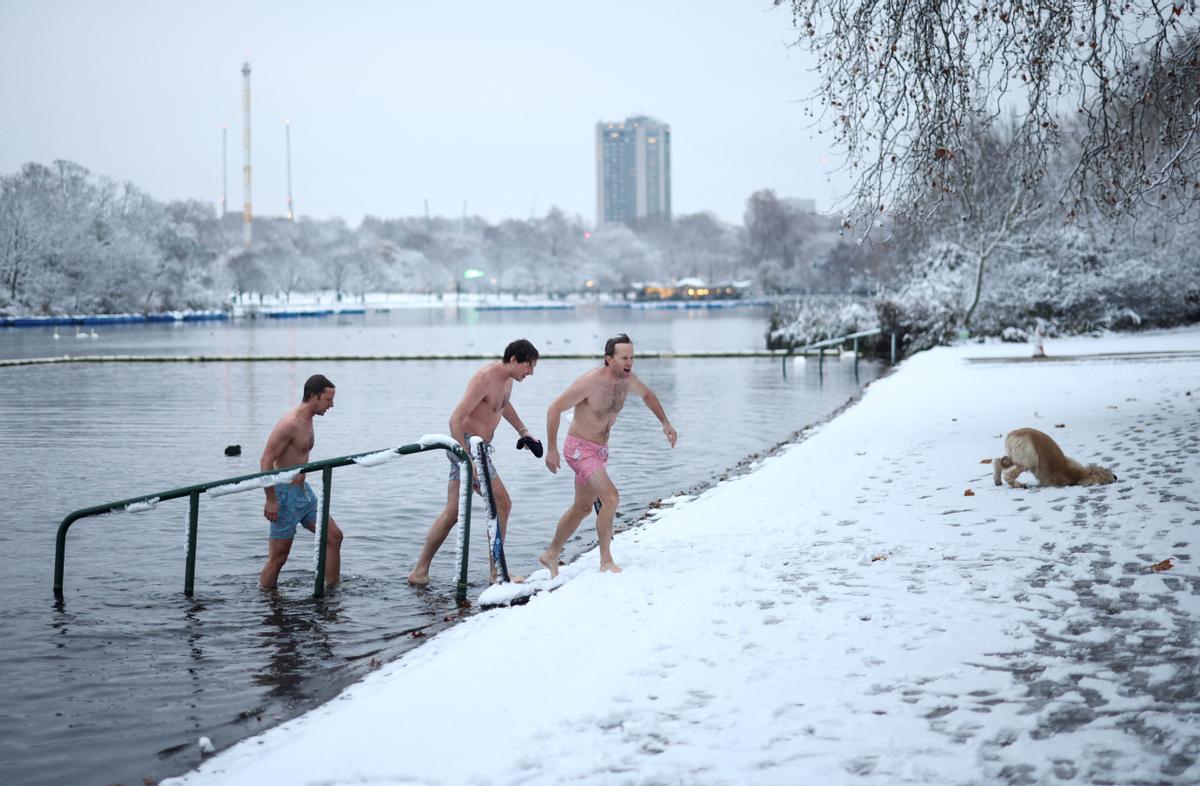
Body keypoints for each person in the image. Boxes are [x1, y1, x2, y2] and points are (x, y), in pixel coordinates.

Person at [540, 333, 676, 577]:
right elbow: (554, 409)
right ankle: (606, 561)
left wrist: (665, 423)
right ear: (608, 359)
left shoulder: (627, 380)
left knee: (582, 508)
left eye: (632, 357)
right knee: (611, 498)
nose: (629, 362)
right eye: (624, 357)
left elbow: (648, 395)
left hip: (600, 450)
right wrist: (551, 449)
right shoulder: (589, 382)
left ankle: (550, 553)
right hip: (579, 449)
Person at [407, 339, 541, 586]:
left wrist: (524, 431)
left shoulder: (509, 380)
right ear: (514, 360)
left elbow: (503, 404)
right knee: (502, 503)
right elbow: (455, 419)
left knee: (452, 513)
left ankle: (419, 572)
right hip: (468, 447)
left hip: (479, 449)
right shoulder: (484, 378)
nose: (531, 372)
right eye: (528, 366)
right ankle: (496, 573)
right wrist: (468, 459)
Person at [259, 374, 343, 589]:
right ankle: (267, 601)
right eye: (328, 400)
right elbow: (266, 460)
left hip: (303, 493)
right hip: (284, 495)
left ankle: (332, 590)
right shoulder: (289, 424)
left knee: (334, 537)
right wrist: (271, 500)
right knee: (278, 558)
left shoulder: (309, 419)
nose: (331, 405)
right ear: (314, 396)